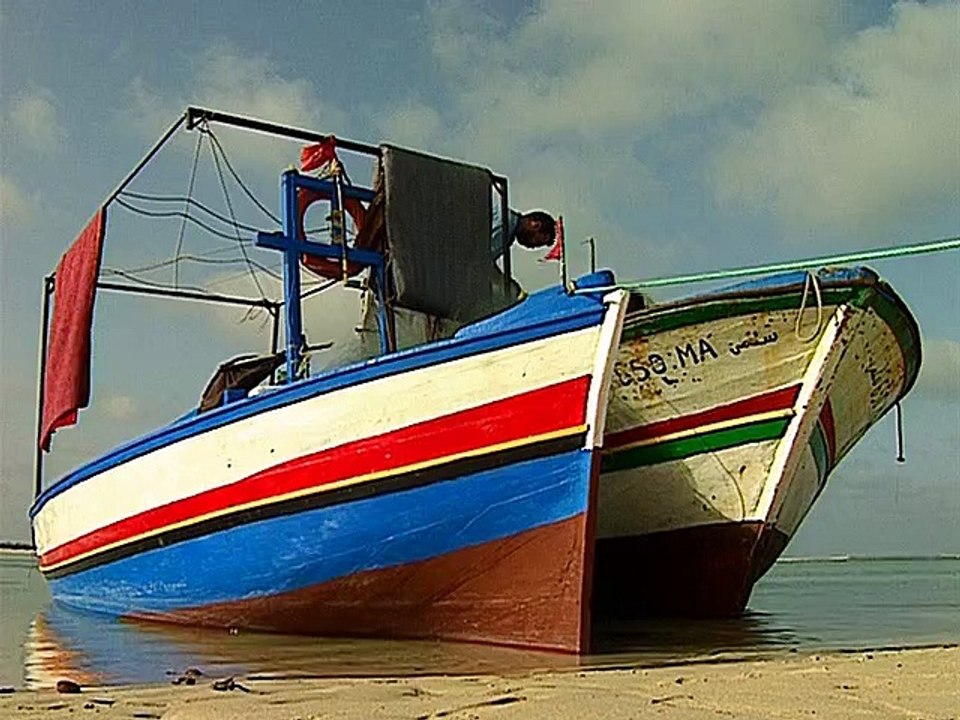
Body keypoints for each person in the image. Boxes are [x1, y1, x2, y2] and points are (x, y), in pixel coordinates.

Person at [490, 207, 556, 259]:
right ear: (535, 224)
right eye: (536, 241)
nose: (532, 247)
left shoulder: (508, 233)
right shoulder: (506, 226)